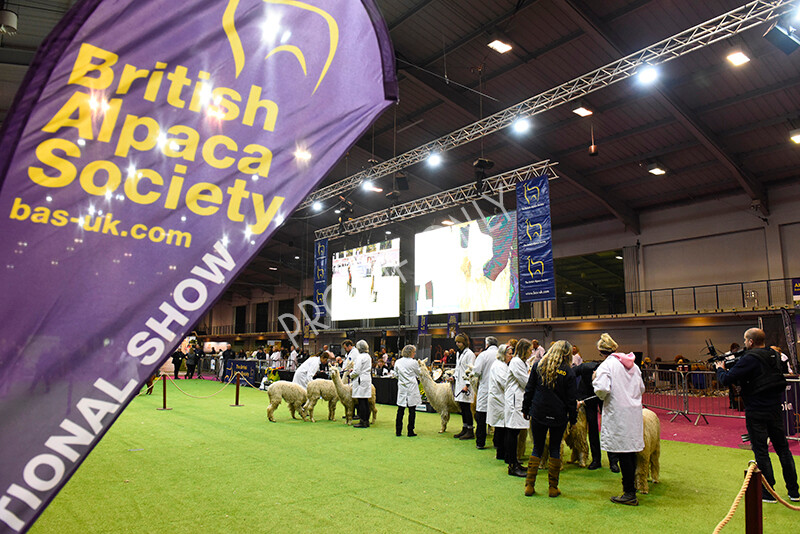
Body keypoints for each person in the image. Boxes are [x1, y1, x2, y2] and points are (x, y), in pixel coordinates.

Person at [716, 328, 798, 503]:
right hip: (775, 408)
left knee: (761, 451)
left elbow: (727, 379)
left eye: (745, 340)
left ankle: (768, 492)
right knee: (783, 449)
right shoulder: (774, 355)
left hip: (756, 410)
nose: (744, 343)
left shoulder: (749, 358)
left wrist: (720, 370)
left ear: (750, 342)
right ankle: (794, 491)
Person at [592, 333, 645, 506]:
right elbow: (642, 387)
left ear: (601, 351)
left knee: (623, 454)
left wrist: (594, 380)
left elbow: (601, 390)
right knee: (632, 451)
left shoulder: (606, 366)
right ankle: (634, 487)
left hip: (618, 413)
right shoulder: (633, 365)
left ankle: (629, 492)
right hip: (634, 412)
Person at [522, 340, 577, 496]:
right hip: (558, 415)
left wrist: (526, 409)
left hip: (538, 412)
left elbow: (529, 389)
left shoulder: (538, 366)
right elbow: (571, 400)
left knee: (537, 447)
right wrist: (573, 419)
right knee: (554, 448)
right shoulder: (568, 371)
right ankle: (553, 487)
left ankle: (529, 486)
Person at [504, 340, 531, 478]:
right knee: (512, 433)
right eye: (529, 349)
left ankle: (515, 462)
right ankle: (512, 466)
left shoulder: (522, 363)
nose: (531, 352)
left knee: (515, 433)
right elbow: (525, 381)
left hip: (518, 400)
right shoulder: (515, 362)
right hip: (514, 401)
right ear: (524, 349)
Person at [572, 358, 603, 470]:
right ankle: (581, 456)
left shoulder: (604, 372)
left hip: (599, 396)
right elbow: (570, 376)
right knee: (579, 428)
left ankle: (609, 460)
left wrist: (584, 402)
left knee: (599, 427)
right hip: (582, 395)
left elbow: (601, 394)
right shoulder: (583, 368)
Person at [472, 336, 499, 450]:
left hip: (485, 389)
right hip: (498, 390)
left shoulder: (483, 355)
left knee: (481, 417)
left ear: (486, 344)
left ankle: (480, 442)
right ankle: (497, 443)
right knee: (498, 418)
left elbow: (476, 372)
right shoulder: (501, 354)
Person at [487, 342, 510, 461]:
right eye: (509, 354)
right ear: (503, 354)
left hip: (500, 399)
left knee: (501, 428)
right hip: (498, 400)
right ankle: (502, 453)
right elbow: (504, 382)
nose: (511, 356)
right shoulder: (498, 366)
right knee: (501, 428)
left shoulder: (503, 365)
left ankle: (502, 452)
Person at [450, 333, 476, 440]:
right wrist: (454, 377)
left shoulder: (470, 354)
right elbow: (458, 368)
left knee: (467, 409)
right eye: (456, 342)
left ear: (464, 342)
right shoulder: (458, 354)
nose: (457, 344)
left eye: (459, 342)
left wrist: (467, 385)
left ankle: (470, 430)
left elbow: (471, 370)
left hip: (466, 386)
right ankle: (464, 428)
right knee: (462, 408)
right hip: (459, 384)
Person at [394, 344, 421, 437]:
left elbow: (395, 374)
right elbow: (419, 373)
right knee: (412, 410)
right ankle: (410, 431)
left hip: (402, 387)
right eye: (414, 352)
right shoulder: (414, 362)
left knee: (400, 410)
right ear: (410, 353)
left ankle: (398, 431)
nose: (415, 353)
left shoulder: (398, 362)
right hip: (411, 387)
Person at [350, 340, 373, 428]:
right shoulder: (368, 356)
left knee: (361, 402)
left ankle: (362, 421)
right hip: (366, 379)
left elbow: (357, 371)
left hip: (360, 380)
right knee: (365, 401)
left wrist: (351, 375)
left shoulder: (360, 357)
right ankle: (366, 420)